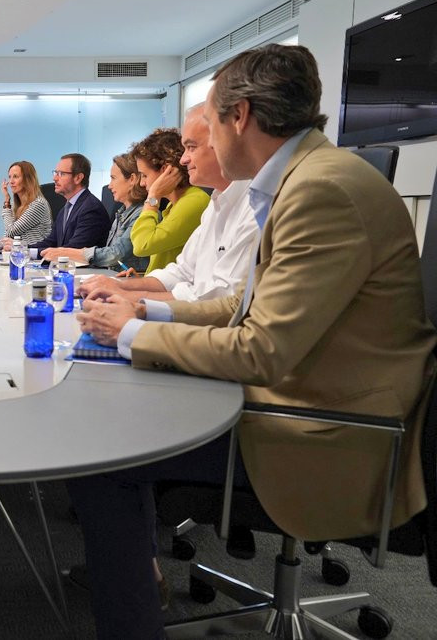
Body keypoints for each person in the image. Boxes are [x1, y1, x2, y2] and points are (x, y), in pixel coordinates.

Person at [69, 43, 436, 639]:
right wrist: (148, 310)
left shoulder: (321, 191)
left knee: (103, 454)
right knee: (118, 419)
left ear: (239, 116)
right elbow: (242, 308)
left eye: (209, 126)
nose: (205, 145)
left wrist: (132, 332)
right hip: (308, 397)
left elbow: (263, 349)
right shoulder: (307, 176)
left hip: (330, 431)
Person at [78, 105, 259, 301]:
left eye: (191, 147)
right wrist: (123, 286)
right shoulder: (214, 204)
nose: (183, 159)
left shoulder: (200, 201)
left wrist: (153, 196)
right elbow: (182, 271)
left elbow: (143, 245)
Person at [38, 152, 148, 272]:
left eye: (113, 178)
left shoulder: (141, 213)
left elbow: (116, 254)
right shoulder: (121, 213)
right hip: (112, 276)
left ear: (131, 179)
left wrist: (65, 252)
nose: (109, 186)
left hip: (127, 281)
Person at [128, 128, 210, 273]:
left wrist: (153, 196)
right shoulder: (175, 204)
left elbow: (142, 245)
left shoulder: (194, 201)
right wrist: (141, 276)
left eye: (144, 175)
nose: (141, 183)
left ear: (165, 170)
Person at [23, 153, 110, 258]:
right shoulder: (66, 208)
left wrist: (27, 253)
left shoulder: (91, 209)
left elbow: (73, 250)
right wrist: (22, 250)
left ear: (78, 178)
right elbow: (51, 241)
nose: (55, 178)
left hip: (84, 272)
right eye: (55, 173)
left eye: (61, 174)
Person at [0, 160, 52, 247]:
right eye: (9, 177)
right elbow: (7, 236)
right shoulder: (17, 207)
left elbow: (11, 231)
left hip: (35, 256)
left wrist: (7, 202)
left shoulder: (38, 204)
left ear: (27, 179)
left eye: (15, 177)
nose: (11, 182)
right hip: (20, 256)